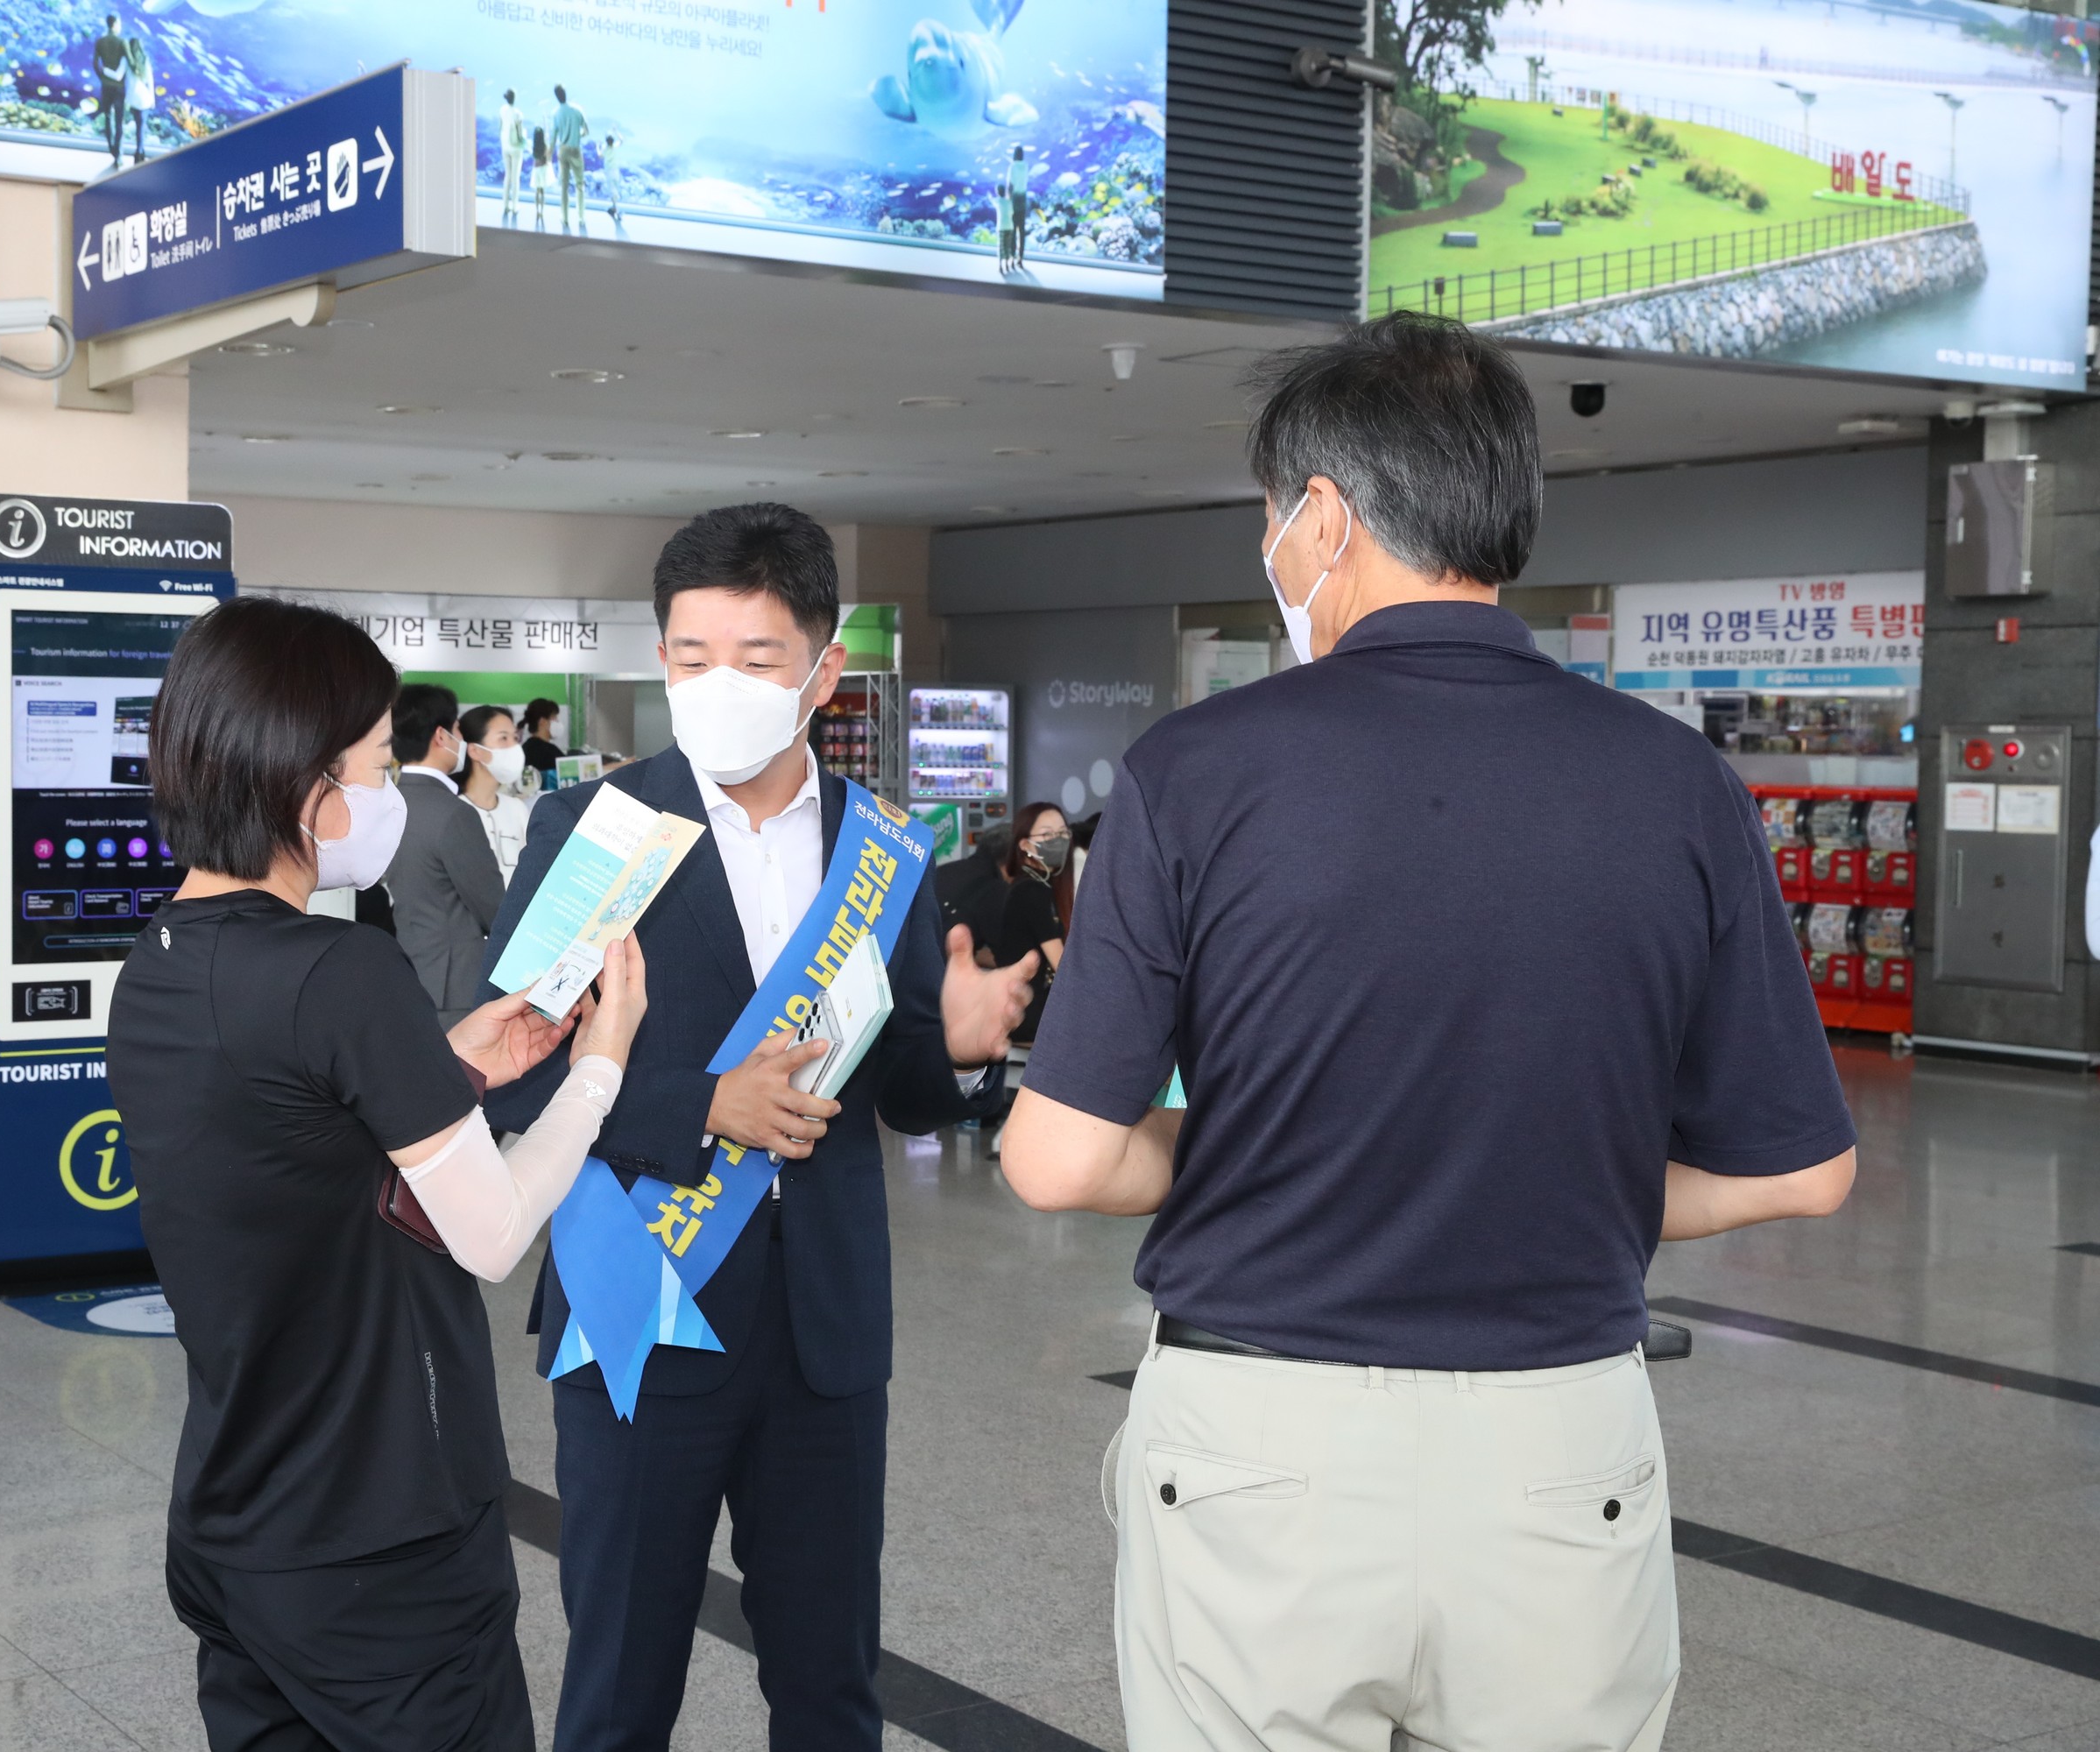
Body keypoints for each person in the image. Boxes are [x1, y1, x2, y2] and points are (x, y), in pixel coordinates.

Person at [999, 314, 1858, 1752]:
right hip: (1561, 1444)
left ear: (1325, 519)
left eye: (1275, 520)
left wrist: (1281, 1157)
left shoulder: (1199, 774)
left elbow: (1056, 1163)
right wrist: (1546, 1179)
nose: (1273, 552)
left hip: (1261, 1447)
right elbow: (1803, 1171)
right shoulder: (1676, 784)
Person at [481, 502, 1037, 1752]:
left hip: (825, 1335)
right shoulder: (598, 833)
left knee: (833, 1690)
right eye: (690, 658)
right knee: (620, 1690)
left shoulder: (885, 854)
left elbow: (893, 1088)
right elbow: (511, 1077)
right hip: (641, 1318)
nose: (717, 686)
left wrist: (951, 1049)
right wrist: (699, 1106)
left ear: (823, 671)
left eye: (756, 658)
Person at [109, 597, 648, 1752]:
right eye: (378, 766)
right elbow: (491, 1234)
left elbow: (293, 1140)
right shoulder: (339, 971)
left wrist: (442, 1062)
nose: (390, 795)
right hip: (381, 1539)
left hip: (235, 1513)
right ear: (306, 786)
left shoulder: (154, 966)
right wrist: (599, 1071)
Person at [385, 682, 508, 1026]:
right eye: (456, 729)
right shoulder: (453, 813)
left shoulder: (390, 804)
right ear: (441, 736)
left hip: (411, 968)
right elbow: (493, 906)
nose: (460, 738)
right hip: (458, 985)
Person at [966, 802, 1067, 1043]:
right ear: (1024, 844)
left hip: (1023, 1006)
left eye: (1063, 833)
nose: (1058, 840)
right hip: (1030, 1011)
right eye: (1047, 834)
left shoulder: (1032, 886)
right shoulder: (1033, 891)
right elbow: (1062, 965)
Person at [458, 703, 533, 884]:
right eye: (503, 738)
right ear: (475, 750)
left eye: (515, 738)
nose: (514, 747)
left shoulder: (517, 808)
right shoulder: (454, 812)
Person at [93, 14, 130, 165]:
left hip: (106, 85)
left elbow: (95, 63)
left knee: (107, 116)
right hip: (119, 87)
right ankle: (118, 153)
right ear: (115, 24)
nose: (120, 26)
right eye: (119, 23)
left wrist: (102, 77)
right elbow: (130, 62)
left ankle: (111, 148)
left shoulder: (100, 42)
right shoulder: (122, 42)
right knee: (119, 120)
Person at [551, 84, 588, 226]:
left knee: (564, 186)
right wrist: (576, 135)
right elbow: (585, 131)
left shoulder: (556, 113)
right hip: (576, 150)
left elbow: (554, 137)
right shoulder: (578, 110)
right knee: (580, 185)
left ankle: (565, 217)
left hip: (563, 150)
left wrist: (549, 153)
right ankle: (581, 217)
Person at [122, 31, 155, 166]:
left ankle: (138, 151)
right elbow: (150, 81)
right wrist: (153, 99)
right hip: (145, 98)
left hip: (133, 98)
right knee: (142, 127)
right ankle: (140, 152)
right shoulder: (145, 59)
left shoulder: (126, 61)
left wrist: (125, 100)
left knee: (137, 126)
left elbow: (125, 82)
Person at [520, 697, 565, 788]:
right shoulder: (549, 752)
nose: (558, 722)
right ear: (543, 722)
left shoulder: (525, 748)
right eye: (554, 718)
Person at [498, 88, 528, 224]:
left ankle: (505, 205)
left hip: (505, 145)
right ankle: (515, 206)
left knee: (507, 176)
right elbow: (520, 133)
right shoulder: (518, 114)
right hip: (516, 147)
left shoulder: (502, 110)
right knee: (515, 177)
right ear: (514, 98)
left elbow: (501, 127)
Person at [1006, 143, 1031, 268]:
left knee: (1013, 228)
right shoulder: (1026, 166)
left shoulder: (1012, 166)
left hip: (1014, 198)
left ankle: (1012, 255)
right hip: (1023, 198)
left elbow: (1010, 185)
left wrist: (1008, 199)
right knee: (1021, 229)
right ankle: (1021, 257)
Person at [599, 131, 624, 221]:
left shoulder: (605, 149)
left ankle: (616, 209)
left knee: (612, 190)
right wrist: (616, 131)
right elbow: (622, 140)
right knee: (615, 189)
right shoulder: (615, 147)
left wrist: (597, 147)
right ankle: (615, 207)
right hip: (616, 170)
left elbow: (600, 156)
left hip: (609, 171)